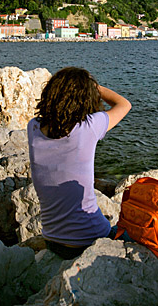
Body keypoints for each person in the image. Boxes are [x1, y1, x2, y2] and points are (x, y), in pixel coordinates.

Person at [27, 66, 132, 259]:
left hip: (52, 241)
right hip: (88, 239)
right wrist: (95, 88)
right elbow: (124, 104)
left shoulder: (33, 127)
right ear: (86, 98)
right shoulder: (89, 127)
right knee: (135, 233)